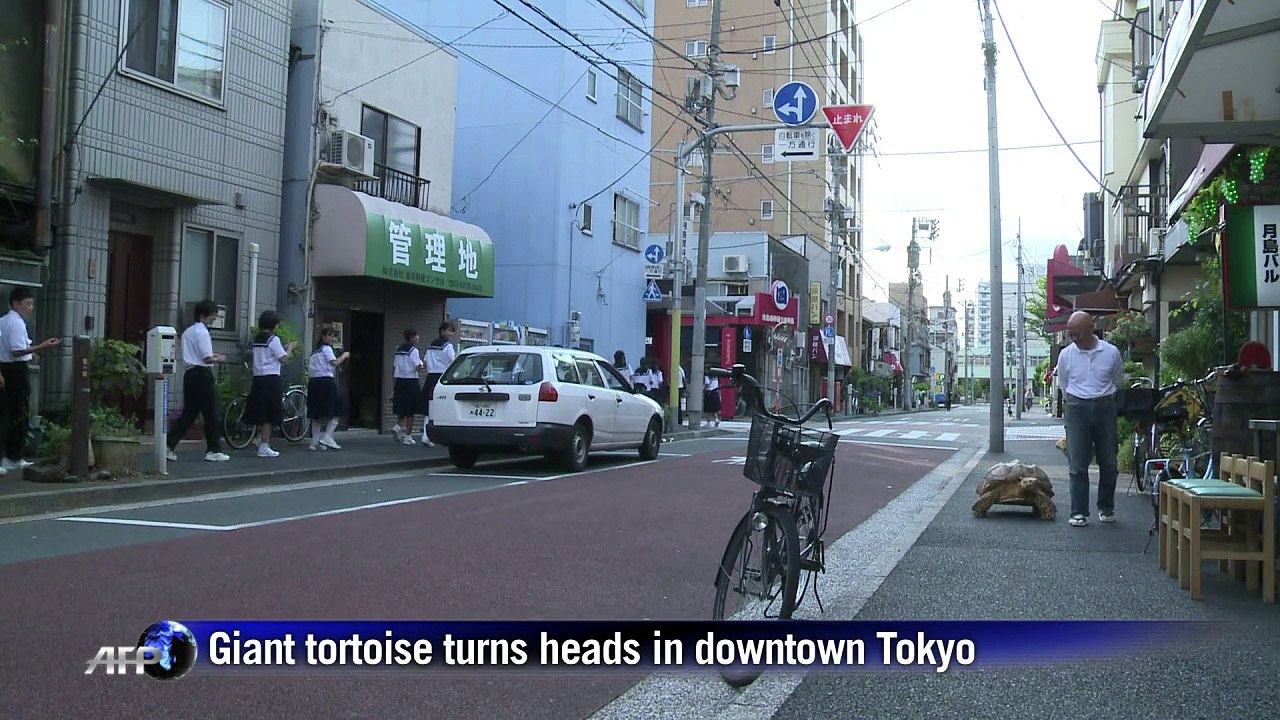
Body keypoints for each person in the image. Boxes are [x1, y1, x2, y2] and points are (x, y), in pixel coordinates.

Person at [1057, 310, 1124, 527]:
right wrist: (1074, 401)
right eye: (1071, 334)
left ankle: (1106, 507)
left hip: (1105, 405)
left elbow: (1117, 378)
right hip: (1076, 406)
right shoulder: (1066, 354)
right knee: (1077, 461)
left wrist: (1103, 397)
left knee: (1109, 461)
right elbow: (1064, 384)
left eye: (1077, 333)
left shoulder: (1111, 352)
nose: (1073, 338)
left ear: (1090, 328)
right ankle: (1079, 511)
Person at [0, 287, 61, 471]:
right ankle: (12, 457)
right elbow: (17, 350)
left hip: (6, 369)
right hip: (15, 371)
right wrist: (41, 347)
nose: (31, 307)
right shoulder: (16, 323)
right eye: (28, 303)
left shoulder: (4, 321)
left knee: (6, 414)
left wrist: (33, 352)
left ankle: (8, 457)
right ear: (16, 303)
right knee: (18, 414)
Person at [166, 300, 230, 463]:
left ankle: (168, 445)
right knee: (212, 413)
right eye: (213, 314)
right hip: (202, 374)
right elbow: (207, 358)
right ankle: (213, 450)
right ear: (203, 315)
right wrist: (221, 358)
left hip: (189, 374)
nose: (214, 318)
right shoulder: (202, 332)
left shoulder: (188, 331)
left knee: (189, 413)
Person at [244, 310, 296, 458]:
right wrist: (290, 348)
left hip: (258, 378)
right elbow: (284, 359)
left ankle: (259, 440)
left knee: (260, 411)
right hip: (271, 378)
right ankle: (264, 445)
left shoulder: (257, 339)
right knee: (270, 414)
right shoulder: (273, 339)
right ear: (274, 325)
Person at [307, 324, 349, 451]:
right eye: (329, 335)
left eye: (333, 335)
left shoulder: (316, 351)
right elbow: (334, 362)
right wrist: (345, 355)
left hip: (314, 382)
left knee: (316, 414)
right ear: (323, 336)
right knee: (338, 409)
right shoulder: (326, 348)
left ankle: (314, 443)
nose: (331, 338)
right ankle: (328, 436)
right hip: (325, 381)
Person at [420, 321, 457, 447]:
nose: (451, 333)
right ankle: (430, 436)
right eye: (448, 330)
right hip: (442, 378)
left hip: (430, 377)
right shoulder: (448, 346)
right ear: (442, 331)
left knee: (428, 408)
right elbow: (453, 362)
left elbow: (425, 362)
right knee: (440, 407)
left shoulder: (431, 346)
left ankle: (426, 434)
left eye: (452, 331)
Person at [391, 329, 424, 446]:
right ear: (411, 338)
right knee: (411, 410)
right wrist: (422, 364)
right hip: (411, 382)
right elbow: (418, 366)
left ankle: (398, 425)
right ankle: (408, 436)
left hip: (399, 381)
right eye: (416, 336)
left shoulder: (398, 350)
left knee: (401, 407)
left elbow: (394, 367)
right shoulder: (413, 350)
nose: (418, 338)